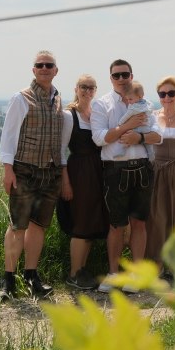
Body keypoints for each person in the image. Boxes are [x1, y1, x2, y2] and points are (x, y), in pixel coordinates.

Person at [0, 50, 70, 300]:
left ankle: (31, 276)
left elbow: (60, 141)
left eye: (49, 65)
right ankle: (7, 279)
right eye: (40, 65)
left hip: (50, 173)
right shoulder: (22, 98)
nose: (45, 68)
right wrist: (8, 169)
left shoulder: (58, 100)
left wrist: (60, 168)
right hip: (24, 170)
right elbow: (9, 134)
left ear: (56, 70)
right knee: (17, 226)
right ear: (33, 70)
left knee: (39, 227)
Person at [91, 59, 162, 293]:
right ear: (110, 78)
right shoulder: (102, 104)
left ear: (132, 75)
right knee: (116, 224)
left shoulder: (145, 103)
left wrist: (139, 138)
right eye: (116, 75)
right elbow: (99, 138)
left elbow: (158, 136)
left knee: (139, 223)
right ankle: (113, 275)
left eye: (125, 74)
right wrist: (126, 126)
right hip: (115, 169)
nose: (121, 79)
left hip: (142, 166)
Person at [60, 74, 108, 290]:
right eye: (83, 87)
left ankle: (82, 270)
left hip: (96, 172)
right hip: (79, 172)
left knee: (90, 222)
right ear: (76, 88)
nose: (87, 91)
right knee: (80, 222)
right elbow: (60, 152)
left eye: (91, 87)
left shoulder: (96, 114)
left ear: (96, 90)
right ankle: (73, 273)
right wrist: (65, 182)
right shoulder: (69, 116)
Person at [145, 76, 175, 274]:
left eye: (171, 93)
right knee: (157, 217)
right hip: (158, 171)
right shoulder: (152, 116)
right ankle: (156, 261)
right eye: (162, 94)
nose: (167, 97)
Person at [115, 81, 154, 160]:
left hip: (138, 128)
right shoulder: (146, 103)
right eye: (128, 99)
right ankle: (152, 156)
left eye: (130, 99)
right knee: (148, 145)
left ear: (139, 97)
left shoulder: (134, 108)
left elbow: (126, 116)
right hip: (146, 128)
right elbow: (151, 108)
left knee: (126, 135)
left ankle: (122, 151)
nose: (129, 101)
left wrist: (120, 123)